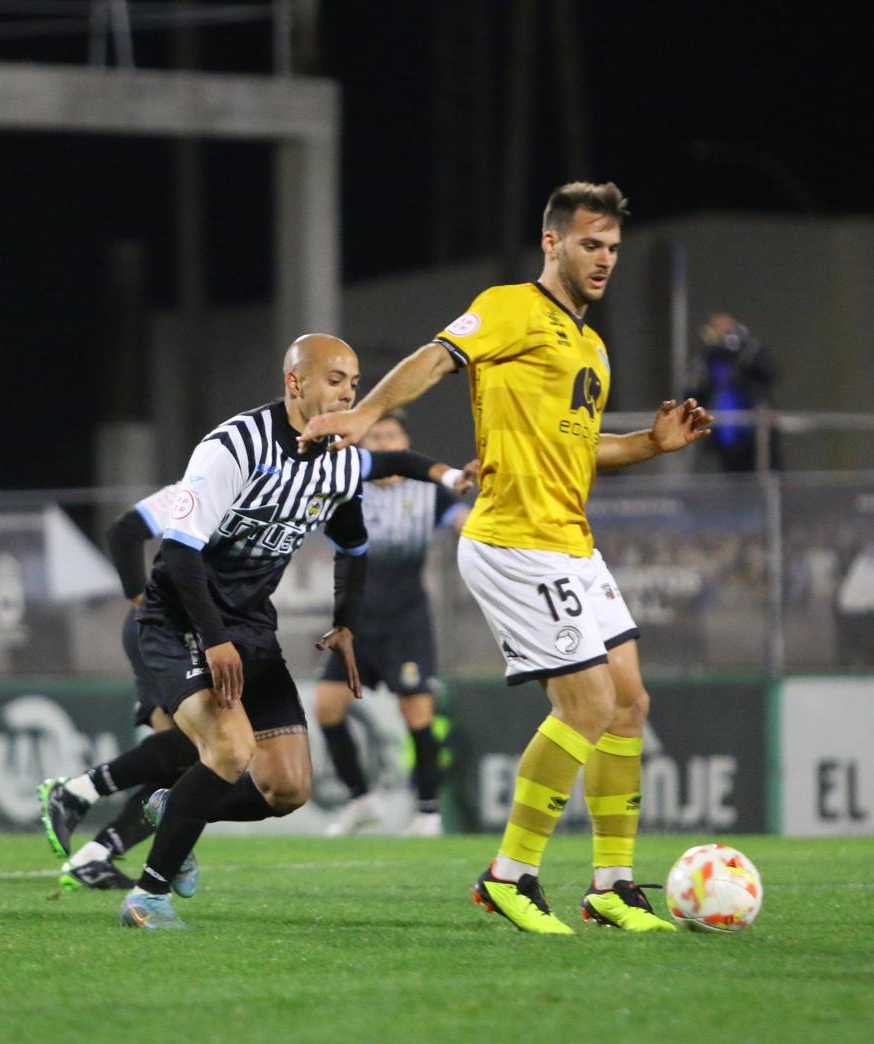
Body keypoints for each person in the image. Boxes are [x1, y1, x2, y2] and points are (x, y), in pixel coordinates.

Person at [301, 182, 713, 934]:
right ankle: (509, 874)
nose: (604, 260)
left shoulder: (590, 344)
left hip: (572, 542)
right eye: (591, 244)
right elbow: (436, 357)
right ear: (552, 243)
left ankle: (612, 886)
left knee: (628, 704)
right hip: (514, 541)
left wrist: (651, 445)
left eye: (614, 248)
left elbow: (583, 452)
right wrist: (365, 414)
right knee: (585, 705)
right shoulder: (510, 307)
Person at [42, 444, 467, 889]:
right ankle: (93, 818)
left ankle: (98, 839)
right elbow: (126, 531)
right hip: (173, 626)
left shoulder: (312, 479)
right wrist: (140, 604)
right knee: (203, 748)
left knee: (232, 769)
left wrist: (449, 475)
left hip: (237, 630)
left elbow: (380, 478)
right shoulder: (209, 480)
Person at [116, 332, 372, 930]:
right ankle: (147, 897)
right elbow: (179, 554)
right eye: (335, 380)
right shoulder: (233, 446)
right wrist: (214, 638)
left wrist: (346, 623)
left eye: (354, 384)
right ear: (295, 383)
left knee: (288, 787)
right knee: (230, 749)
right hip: (180, 619)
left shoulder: (344, 460)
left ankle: (172, 806)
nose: (347, 393)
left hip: (252, 626)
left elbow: (354, 545)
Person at [317, 413, 471, 838]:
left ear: (405, 442)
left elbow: (464, 518)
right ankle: (361, 800)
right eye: (376, 436)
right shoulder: (349, 487)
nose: (385, 442)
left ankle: (428, 812)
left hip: (405, 620)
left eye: (392, 435)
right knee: (327, 709)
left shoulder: (427, 491)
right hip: (354, 622)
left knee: (416, 713)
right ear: (364, 446)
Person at [692, 313, 781, 473]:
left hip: (754, 426)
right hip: (726, 429)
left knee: (765, 470)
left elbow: (770, 374)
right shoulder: (709, 358)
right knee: (733, 477)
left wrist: (739, 349)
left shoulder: (750, 350)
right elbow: (695, 391)